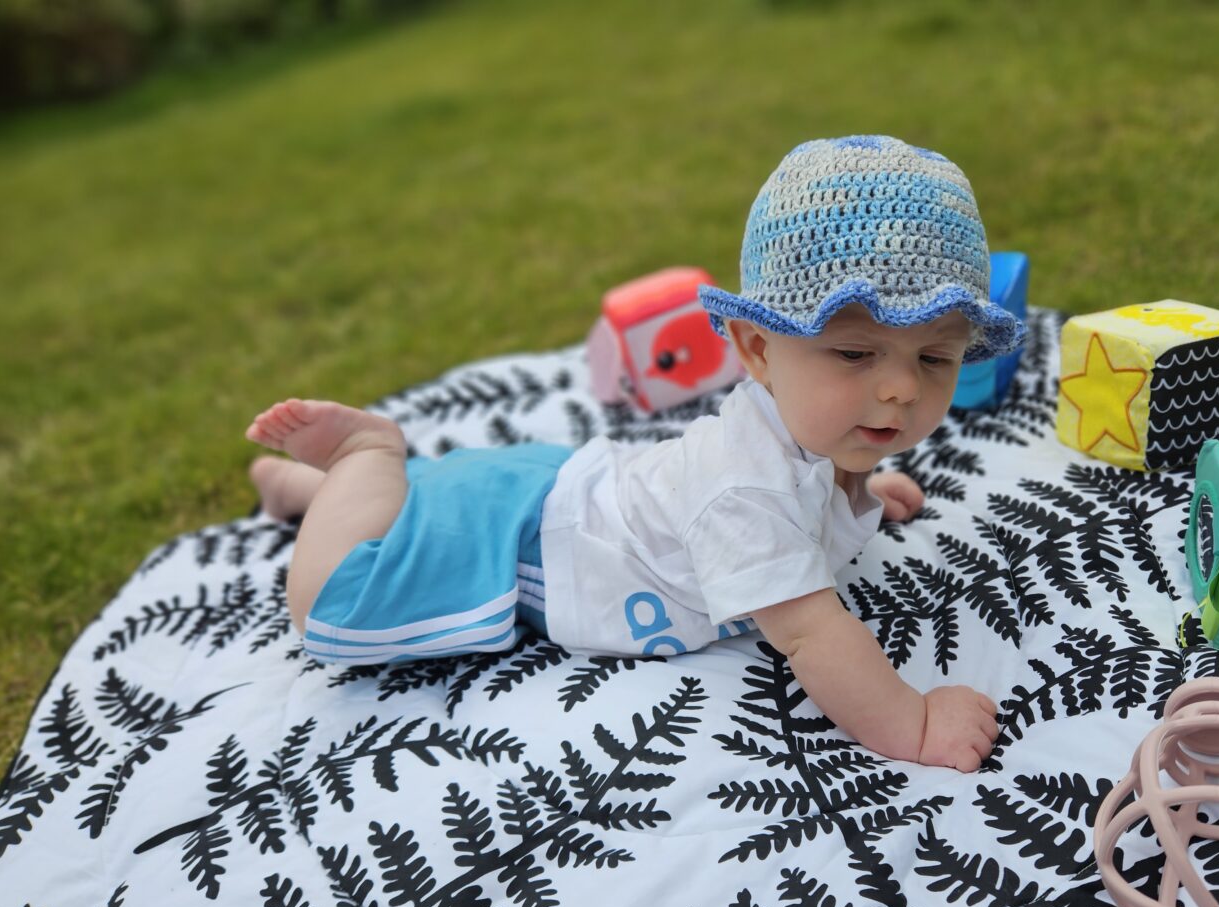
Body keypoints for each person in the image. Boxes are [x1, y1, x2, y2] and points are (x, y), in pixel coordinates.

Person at [246, 135, 1025, 770]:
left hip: (566, 489)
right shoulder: (742, 495)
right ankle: (364, 457)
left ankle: (303, 493)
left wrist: (856, 494)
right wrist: (913, 725)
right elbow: (812, 633)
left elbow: (816, 472)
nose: (898, 392)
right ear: (756, 349)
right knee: (332, 605)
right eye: (856, 355)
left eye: (933, 360)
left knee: (417, 505)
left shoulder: (817, 431)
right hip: (522, 541)